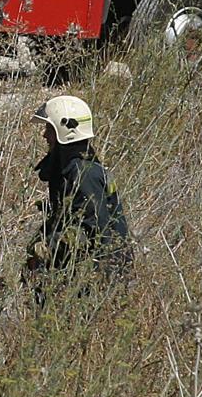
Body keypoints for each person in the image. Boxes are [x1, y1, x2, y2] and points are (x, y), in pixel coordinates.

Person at [23, 95, 131, 302]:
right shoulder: (73, 170)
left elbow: (92, 231)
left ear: (64, 132)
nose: (44, 135)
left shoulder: (84, 175)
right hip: (85, 276)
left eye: (49, 129)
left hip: (98, 281)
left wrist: (47, 248)